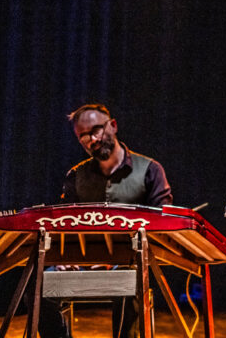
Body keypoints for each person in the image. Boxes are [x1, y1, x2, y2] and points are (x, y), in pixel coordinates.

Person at [39, 103, 172, 338]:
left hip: (132, 263)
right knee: (38, 285)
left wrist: (121, 258)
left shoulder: (150, 170)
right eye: (83, 136)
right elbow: (62, 225)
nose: (92, 139)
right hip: (82, 261)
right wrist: (62, 258)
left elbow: (164, 226)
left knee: (128, 281)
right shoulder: (76, 176)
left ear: (113, 125)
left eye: (96, 130)